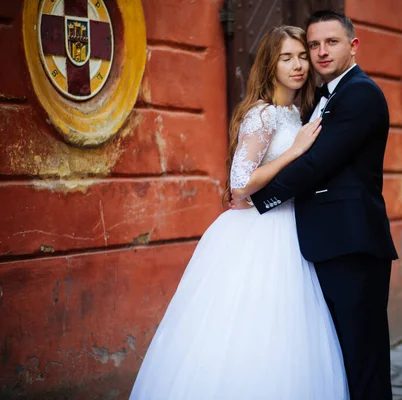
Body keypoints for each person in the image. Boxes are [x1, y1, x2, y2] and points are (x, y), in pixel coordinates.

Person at [129, 25, 349, 400]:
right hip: (260, 230)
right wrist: (295, 150)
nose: (298, 65)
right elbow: (240, 184)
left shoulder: (296, 113)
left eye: (301, 56)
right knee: (247, 323)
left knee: (287, 330)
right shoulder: (262, 115)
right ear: (270, 64)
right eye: (286, 58)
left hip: (292, 227)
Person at [235, 10, 399, 400]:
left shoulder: (360, 93)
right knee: (335, 354)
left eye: (331, 43)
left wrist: (257, 199)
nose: (320, 53)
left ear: (353, 45)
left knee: (363, 356)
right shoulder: (315, 100)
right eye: (314, 45)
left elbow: (316, 163)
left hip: (352, 240)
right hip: (321, 242)